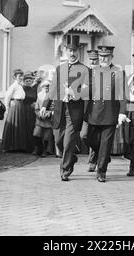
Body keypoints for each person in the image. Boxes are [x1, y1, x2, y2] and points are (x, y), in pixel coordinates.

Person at [41, 39, 90, 181]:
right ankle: (71, 157)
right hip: (59, 109)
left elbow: (87, 90)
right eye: (70, 51)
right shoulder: (59, 68)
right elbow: (53, 89)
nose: (72, 53)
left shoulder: (85, 69)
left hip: (74, 111)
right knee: (58, 141)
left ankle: (65, 170)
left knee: (68, 141)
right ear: (66, 52)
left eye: (75, 51)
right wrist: (45, 104)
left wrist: (74, 92)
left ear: (79, 51)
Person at [86, 46, 124, 182]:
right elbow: (87, 92)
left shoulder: (118, 72)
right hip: (94, 114)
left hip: (110, 114)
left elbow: (122, 95)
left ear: (111, 57)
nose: (103, 59)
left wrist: (122, 113)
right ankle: (104, 155)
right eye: (101, 56)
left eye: (106, 56)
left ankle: (101, 171)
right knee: (88, 139)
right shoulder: (92, 72)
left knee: (106, 143)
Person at [2, 69, 27, 152]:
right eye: (19, 76)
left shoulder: (20, 86)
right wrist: (7, 108)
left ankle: (19, 146)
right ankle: (11, 146)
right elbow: (7, 97)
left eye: (22, 76)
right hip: (15, 106)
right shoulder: (13, 86)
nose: (21, 78)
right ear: (15, 77)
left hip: (20, 105)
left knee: (20, 125)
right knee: (14, 124)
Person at [84, 49, 99, 172]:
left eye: (95, 59)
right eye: (91, 60)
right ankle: (101, 152)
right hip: (85, 110)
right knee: (84, 136)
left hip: (99, 110)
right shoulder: (85, 73)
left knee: (96, 136)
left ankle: (94, 161)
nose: (93, 62)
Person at [33, 80, 54, 157]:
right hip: (40, 120)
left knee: (46, 137)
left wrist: (49, 113)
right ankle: (38, 148)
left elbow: (55, 108)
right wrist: (39, 114)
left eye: (48, 87)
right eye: (45, 87)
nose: (46, 88)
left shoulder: (52, 96)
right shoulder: (39, 95)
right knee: (36, 134)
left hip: (49, 120)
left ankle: (45, 151)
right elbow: (36, 108)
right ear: (42, 88)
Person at [22, 71, 38, 153]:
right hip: (25, 110)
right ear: (24, 82)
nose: (29, 82)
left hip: (33, 111)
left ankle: (32, 147)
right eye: (27, 81)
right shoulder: (22, 89)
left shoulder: (33, 89)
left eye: (30, 81)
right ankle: (25, 147)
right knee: (26, 128)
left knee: (32, 127)